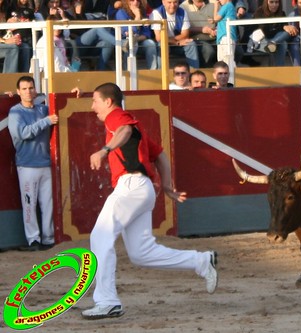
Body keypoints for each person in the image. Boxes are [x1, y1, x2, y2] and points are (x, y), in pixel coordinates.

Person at [81, 82, 218, 319]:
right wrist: (166, 186)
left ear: (108, 101)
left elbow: (123, 130)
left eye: (95, 101)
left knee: (100, 236)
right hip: (142, 189)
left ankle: (107, 301)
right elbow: (161, 156)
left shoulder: (117, 118)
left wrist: (104, 150)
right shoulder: (138, 127)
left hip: (131, 186)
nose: (93, 107)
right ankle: (201, 261)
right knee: (141, 252)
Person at [7, 76, 58, 251]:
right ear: (19, 92)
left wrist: (77, 94)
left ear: (35, 90)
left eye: (31, 88)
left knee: (48, 203)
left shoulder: (43, 109)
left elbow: (61, 110)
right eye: (25, 89)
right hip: (27, 165)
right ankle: (33, 239)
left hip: (45, 163)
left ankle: (48, 237)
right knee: (30, 204)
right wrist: (46, 121)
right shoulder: (15, 112)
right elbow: (22, 134)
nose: (28, 92)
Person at [150, 0, 200, 69]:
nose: (173, 5)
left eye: (175, 2)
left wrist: (175, 41)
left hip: (178, 43)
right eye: (169, 2)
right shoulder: (157, 13)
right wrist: (176, 42)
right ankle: (161, 73)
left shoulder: (182, 12)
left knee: (191, 44)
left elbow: (185, 34)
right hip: (167, 43)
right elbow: (159, 37)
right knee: (162, 45)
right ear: (163, 2)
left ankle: (194, 72)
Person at [251, 0, 298, 66]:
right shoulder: (259, 12)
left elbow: (284, 32)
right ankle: (279, 69)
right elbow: (264, 31)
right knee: (282, 43)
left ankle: (273, 42)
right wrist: (283, 27)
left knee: (285, 37)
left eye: (276, 2)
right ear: (266, 2)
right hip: (261, 41)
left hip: (275, 41)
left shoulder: (282, 13)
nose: (274, 5)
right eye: (271, 2)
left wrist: (288, 28)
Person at [115, 0, 158, 70]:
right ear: (127, 1)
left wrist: (136, 39)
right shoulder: (121, 13)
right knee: (133, 44)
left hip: (139, 39)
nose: (135, 2)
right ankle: (128, 70)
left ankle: (152, 70)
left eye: (138, 0)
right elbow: (129, 33)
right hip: (124, 40)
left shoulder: (142, 12)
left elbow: (147, 33)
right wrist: (137, 17)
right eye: (132, 0)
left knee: (150, 43)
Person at [180, 0, 217, 68]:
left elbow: (222, 19)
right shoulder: (183, 6)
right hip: (196, 39)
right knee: (208, 51)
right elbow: (183, 29)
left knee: (238, 51)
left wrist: (218, 29)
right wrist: (202, 29)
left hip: (216, 37)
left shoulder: (214, 3)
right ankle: (203, 72)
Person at [9, 0, 35, 72]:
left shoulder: (30, 11)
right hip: (13, 38)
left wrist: (27, 23)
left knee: (28, 48)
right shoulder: (10, 9)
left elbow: (33, 23)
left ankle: (25, 73)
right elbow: (8, 24)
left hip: (28, 38)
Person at [212, 0, 237, 66]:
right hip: (223, 37)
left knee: (228, 62)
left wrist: (216, 6)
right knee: (222, 62)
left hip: (226, 37)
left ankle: (231, 76)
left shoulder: (227, 6)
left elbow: (216, 19)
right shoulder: (229, 6)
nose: (219, 0)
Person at [0, 0, 21, 73]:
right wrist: (5, 41)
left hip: (4, 40)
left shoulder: (7, 7)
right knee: (12, 48)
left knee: (25, 47)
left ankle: (25, 77)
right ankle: (9, 79)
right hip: (3, 42)